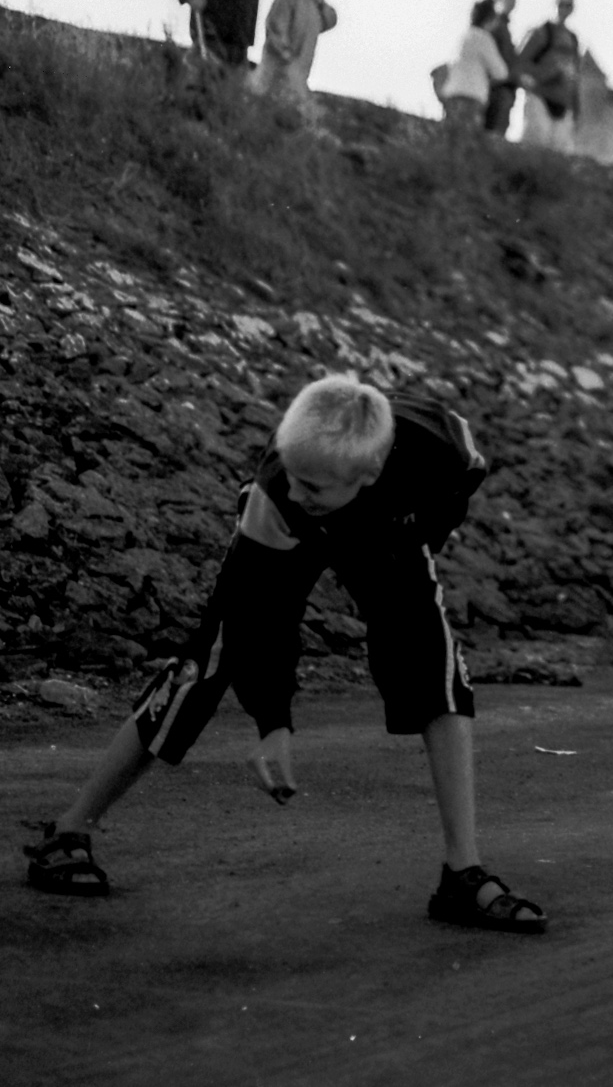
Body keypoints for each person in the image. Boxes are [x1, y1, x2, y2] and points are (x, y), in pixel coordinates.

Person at [22, 373, 545, 934]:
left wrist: (410, 535)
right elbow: (259, 624)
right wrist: (274, 723)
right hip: (288, 539)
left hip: (385, 528)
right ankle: (70, 830)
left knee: (433, 664)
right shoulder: (280, 495)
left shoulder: (441, 451)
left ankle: (462, 874)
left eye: (313, 486)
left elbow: (460, 482)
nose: (299, 491)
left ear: (369, 472)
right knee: (209, 661)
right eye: (295, 476)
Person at [251, 0, 337, 118]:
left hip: (299, 66)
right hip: (283, 67)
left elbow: (327, 22)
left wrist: (321, 4)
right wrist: (285, 55)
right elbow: (275, 26)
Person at [519, 0, 581, 152]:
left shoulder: (573, 40)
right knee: (535, 147)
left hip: (563, 103)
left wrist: (576, 110)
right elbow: (520, 63)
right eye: (561, 4)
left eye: (568, 5)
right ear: (555, 5)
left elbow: (575, 77)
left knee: (560, 153)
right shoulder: (542, 32)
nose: (564, 9)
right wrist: (545, 73)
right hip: (540, 97)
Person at [439, 0, 508, 133]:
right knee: (466, 141)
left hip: (452, 95)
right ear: (490, 18)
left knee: (450, 138)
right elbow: (501, 72)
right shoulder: (483, 38)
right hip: (471, 97)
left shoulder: (464, 35)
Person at [484, 0, 522, 138]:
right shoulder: (493, 25)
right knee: (492, 138)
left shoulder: (504, 27)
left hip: (504, 91)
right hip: (495, 91)